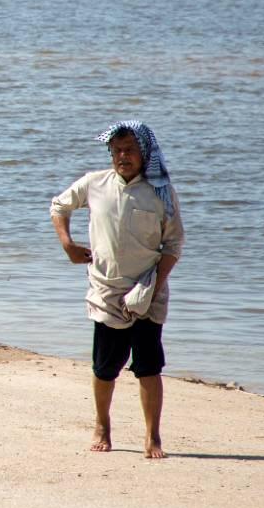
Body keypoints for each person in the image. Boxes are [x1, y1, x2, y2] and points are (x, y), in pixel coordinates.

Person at [50, 120, 184, 459]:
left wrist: (153, 288)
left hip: (148, 291)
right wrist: (68, 245)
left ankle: (153, 436)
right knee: (105, 368)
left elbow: (173, 245)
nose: (123, 156)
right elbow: (59, 206)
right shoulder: (94, 183)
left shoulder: (161, 191)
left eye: (130, 150)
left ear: (145, 153)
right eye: (117, 151)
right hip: (106, 292)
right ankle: (102, 425)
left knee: (149, 367)